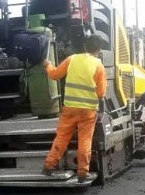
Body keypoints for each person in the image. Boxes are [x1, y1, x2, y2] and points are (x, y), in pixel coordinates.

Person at [41, 35, 106, 183]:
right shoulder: (98, 65)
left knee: (62, 137)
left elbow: (55, 75)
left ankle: (49, 167)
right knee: (84, 142)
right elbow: (101, 93)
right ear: (99, 50)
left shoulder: (72, 59)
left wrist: (47, 65)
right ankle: (83, 174)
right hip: (88, 111)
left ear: (84, 46)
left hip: (69, 108)